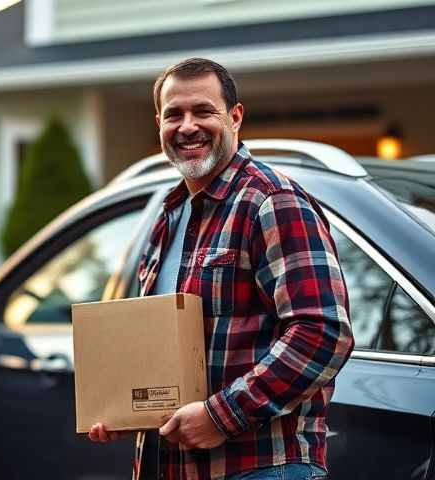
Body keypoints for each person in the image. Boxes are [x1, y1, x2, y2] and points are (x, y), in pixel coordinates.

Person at [88, 58, 354, 480]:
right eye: (174, 114)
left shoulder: (272, 202)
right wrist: (126, 408)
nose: (187, 126)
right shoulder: (170, 216)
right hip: (171, 466)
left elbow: (322, 333)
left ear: (235, 117)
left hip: (262, 467)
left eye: (203, 111)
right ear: (159, 123)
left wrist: (221, 415)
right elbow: (162, 347)